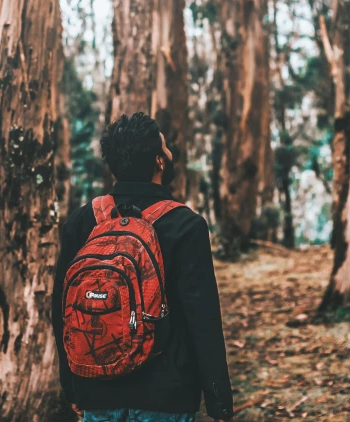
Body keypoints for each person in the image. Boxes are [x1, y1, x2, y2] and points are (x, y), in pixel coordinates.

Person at [52, 112, 235, 422]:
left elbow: (61, 309)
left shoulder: (83, 221)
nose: (168, 152)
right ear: (159, 161)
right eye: (164, 147)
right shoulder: (185, 225)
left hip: (97, 390)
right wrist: (219, 401)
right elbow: (202, 319)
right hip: (166, 395)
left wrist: (72, 385)